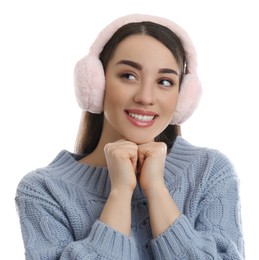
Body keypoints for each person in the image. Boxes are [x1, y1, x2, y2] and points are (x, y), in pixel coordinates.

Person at [15, 14, 245, 259]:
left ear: (183, 96)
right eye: (128, 76)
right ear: (97, 83)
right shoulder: (44, 190)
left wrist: (156, 189)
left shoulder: (210, 171)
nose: (146, 97)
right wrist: (119, 192)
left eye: (165, 81)